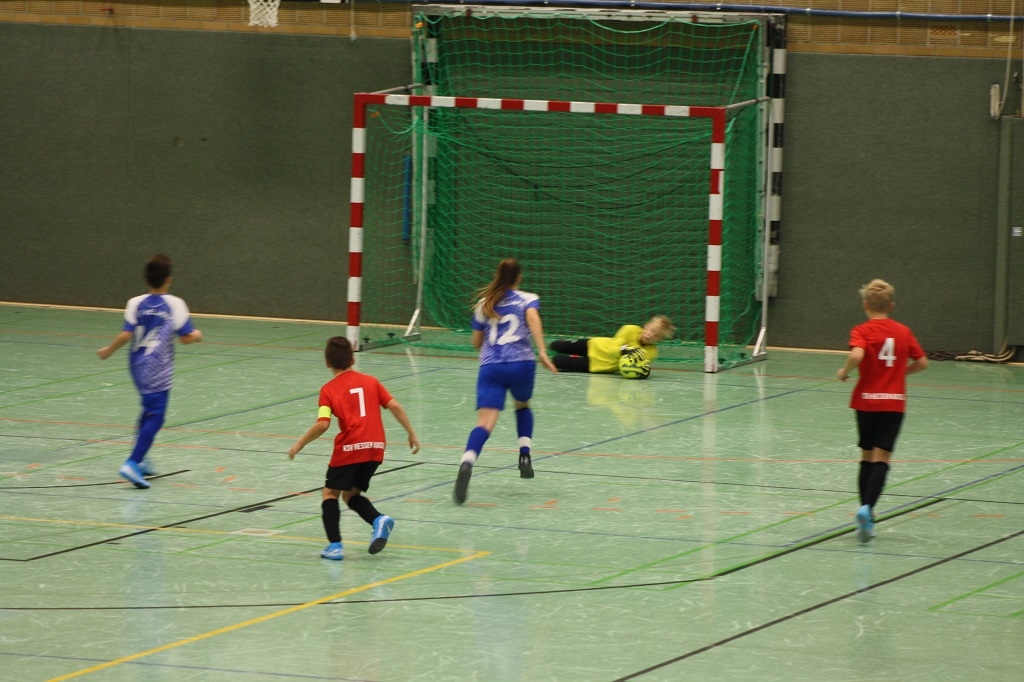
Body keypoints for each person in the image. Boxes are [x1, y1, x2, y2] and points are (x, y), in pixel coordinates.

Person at [288, 336, 420, 561]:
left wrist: (300, 443)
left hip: (351, 446)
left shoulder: (328, 390)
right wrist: (411, 433)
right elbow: (395, 406)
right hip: (376, 447)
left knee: (330, 493)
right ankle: (378, 520)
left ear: (327, 363)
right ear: (352, 359)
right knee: (350, 494)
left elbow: (323, 424)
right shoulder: (371, 382)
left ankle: (335, 546)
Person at [453, 258, 558, 505]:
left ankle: (467, 462)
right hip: (521, 364)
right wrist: (542, 351)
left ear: (497, 275)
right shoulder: (527, 298)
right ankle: (524, 455)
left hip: (491, 366)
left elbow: (476, 343)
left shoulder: (484, 303)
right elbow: (532, 318)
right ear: (519, 277)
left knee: (485, 423)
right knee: (522, 405)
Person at [98, 254, 203, 489]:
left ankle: (142, 457)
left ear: (146, 279)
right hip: (157, 368)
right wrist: (197, 335)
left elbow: (126, 334)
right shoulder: (175, 304)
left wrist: (108, 351)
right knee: (156, 416)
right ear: (169, 279)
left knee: (148, 410)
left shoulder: (135, 302)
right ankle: (133, 462)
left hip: (136, 365)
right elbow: (186, 338)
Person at [837, 279, 927, 543]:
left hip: (866, 402)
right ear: (891, 306)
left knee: (866, 456)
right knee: (882, 457)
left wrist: (844, 371)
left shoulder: (861, 330)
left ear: (865, 305)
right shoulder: (903, 331)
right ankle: (868, 510)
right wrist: (901, 373)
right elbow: (922, 362)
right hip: (893, 403)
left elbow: (856, 355)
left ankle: (866, 513)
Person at [549, 315, 675, 374]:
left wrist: (642, 373)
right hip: (593, 345)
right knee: (555, 345)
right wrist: (625, 350)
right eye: (651, 330)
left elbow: (634, 368)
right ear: (646, 325)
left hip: (597, 366)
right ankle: (564, 345)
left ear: (659, 340)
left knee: (557, 361)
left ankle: (572, 358)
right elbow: (611, 350)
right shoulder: (629, 329)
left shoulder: (652, 353)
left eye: (656, 335)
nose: (650, 335)